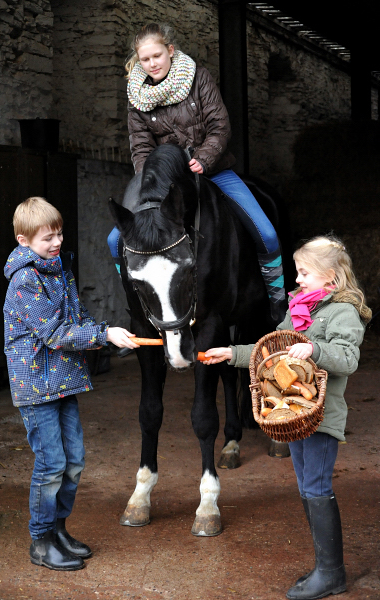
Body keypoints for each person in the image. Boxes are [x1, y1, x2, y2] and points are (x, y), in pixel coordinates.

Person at [202, 235, 372, 600]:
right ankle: (323, 567)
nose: (297, 279)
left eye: (304, 272)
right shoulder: (300, 309)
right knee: (307, 489)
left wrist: (314, 348)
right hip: (291, 415)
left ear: (331, 277)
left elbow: (348, 359)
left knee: (318, 488)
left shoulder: (342, 312)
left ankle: (331, 573)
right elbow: (271, 349)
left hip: (320, 417)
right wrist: (230, 353)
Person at [108, 22, 286, 322]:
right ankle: (137, 308)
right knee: (115, 241)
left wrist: (204, 158)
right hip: (164, 186)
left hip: (211, 172)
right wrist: (152, 181)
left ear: (170, 51)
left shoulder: (198, 78)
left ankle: (277, 303)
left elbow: (220, 125)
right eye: (145, 59)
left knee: (266, 233)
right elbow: (140, 147)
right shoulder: (136, 97)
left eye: (157, 56)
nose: (152, 64)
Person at [3, 197, 138, 571]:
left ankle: (58, 530)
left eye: (59, 233)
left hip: (62, 381)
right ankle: (41, 540)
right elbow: (56, 333)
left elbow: (77, 316)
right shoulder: (25, 281)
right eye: (47, 238)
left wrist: (110, 331)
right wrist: (103, 335)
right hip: (36, 384)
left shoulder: (59, 269)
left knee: (73, 461)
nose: (56, 242)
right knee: (51, 464)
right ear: (23, 240)